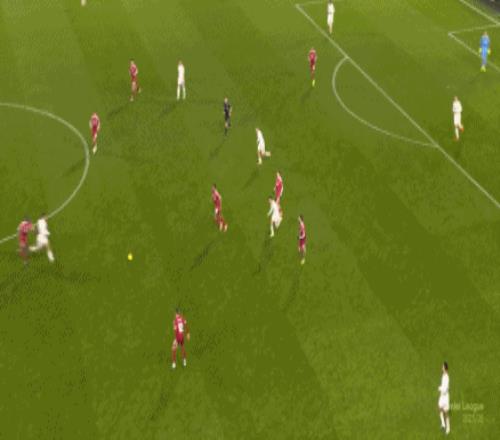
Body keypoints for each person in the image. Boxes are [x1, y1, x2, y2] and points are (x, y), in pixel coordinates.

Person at [438, 362, 450, 435]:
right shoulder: (443, 375)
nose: (441, 368)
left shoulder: (447, 378)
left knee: (446, 413)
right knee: (439, 408)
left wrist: (439, 388)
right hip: (442, 396)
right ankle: (443, 424)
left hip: (445, 397)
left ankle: (448, 428)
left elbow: (445, 389)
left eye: (442, 367)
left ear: (445, 368)